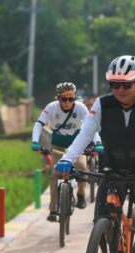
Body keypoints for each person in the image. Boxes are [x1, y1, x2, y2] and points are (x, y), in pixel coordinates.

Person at [55, 55, 135, 253]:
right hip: (112, 166)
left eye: (126, 85)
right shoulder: (102, 104)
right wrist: (67, 159)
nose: (119, 90)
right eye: (114, 84)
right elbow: (84, 134)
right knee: (101, 214)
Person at [31, 82, 102, 222]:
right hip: (57, 147)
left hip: (76, 147)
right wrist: (35, 141)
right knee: (55, 175)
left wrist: (98, 143)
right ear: (58, 98)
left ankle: (81, 194)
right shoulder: (51, 107)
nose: (68, 102)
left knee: (82, 168)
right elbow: (39, 124)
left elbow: (91, 126)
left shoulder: (81, 108)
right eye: (64, 99)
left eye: (71, 99)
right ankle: (52, 210)